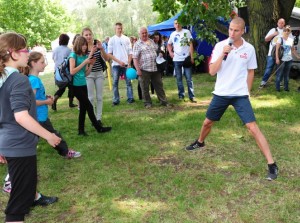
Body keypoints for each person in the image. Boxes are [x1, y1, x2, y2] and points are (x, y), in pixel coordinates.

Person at [185, 17, 279, 181]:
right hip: (221, 93)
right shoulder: (220, 46)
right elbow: (212, 71)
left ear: (243, 31)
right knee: (207, 122)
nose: (232, 33)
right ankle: (200, 142)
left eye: (236, 30)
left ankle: (272, 164)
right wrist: (223, 53)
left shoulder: (249, 49)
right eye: (230, 29)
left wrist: (247, 92)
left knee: (253, 127)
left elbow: (251, 71)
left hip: (240, 95)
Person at [0, 32, 61, 222]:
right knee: (18, 205)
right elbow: (21, 116)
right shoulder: (18, 79)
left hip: (9, 144)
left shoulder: (3, 79)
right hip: (19, 146)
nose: (28, 53)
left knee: (22, 195)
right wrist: (48, 135)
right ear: (13, 54)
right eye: (25, 49)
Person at [25, 51, 82, 158]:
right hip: (40, 117)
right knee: (53, 135)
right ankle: (66, 152)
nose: (45, 64)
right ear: (33, 63)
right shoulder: (34, 80)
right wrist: (47, 102)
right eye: (42, 62)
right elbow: (31, 102)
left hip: (38, 116)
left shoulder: (32, 79)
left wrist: (45, 97)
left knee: (32, 138)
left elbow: (34, 97)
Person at [69, 36, 111, 136]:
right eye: (83, 44)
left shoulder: (84, 56)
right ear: (78, 44)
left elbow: (86, 73)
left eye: (85, 45)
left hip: (83, 84)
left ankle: (81, 130)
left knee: (83, 108)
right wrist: (85, 62)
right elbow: (72, 71)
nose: (84, 46)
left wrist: (91, 64)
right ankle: (98, 128)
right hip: (75, 86)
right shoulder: (73, 55)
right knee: (89, 106)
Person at [81, 28, 112, 129]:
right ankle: (93, 118)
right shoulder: (82, 47)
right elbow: (84, 62)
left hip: (99, 74)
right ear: (83, 36)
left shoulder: (97, 44)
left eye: (90, 34)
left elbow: (107, 59)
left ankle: (98, 118)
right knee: (90, 98)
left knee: (99, 97)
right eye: (86, 35)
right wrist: (91, 52)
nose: (89, 37)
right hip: (88, 74)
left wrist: (101, 48)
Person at [133, 27, 169, 109]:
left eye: (145, 32)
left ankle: (163, 101)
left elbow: (157, 50)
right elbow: (135, 58)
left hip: (155, 68)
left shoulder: (152, 41)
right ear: (139, 34)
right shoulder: (137, 44)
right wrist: (138, 70)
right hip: (144, 69)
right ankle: (147, 103)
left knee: (159, 85)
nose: (145, 34)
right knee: (145, 87)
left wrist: (160, 54)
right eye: (143, 33)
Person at [167, 19, 196, 102]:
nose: (177, 24)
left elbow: (191, 44)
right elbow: (168, 44)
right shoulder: (172, 34)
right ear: (174, 25)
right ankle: (181, 95)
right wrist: (170, 52)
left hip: (186, 58)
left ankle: (192, 96)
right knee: (179, 79)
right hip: (176, 59)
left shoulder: (186, 32)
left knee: (189, 79)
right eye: (176, 23)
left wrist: (191, 56)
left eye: (179, 23)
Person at [107, 22, 135, 106]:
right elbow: (109, 54)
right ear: (115, 29)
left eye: (121, 28)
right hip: (116, 65)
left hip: (126, 64)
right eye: (118, 28)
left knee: (128, 82)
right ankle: (116, 100)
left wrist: (129, 63)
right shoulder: (112, 40)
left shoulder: (126, 39)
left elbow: (130, 52)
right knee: (115, 83)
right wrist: (119, 62)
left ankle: (130, 98)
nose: (120, 30)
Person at [52, 33, 77, 110]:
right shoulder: (68, 50)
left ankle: (55, 99)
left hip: (57, 72)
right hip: (67, 72)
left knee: (61, 88)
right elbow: (71, 61)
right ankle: (70, 103)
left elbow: (53, 59)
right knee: (71, 87)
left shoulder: (55, 49)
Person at [259, 18, 286, 88]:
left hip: (282, 53)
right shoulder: (273, 30)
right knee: (269, 68)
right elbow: (266, 39)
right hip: (271, 53)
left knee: (280, 68)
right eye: (279, 23)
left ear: (284, 24)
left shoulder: (286, 31)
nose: (281, 24)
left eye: (282, 23)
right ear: (277, 23)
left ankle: (279, 82)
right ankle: (263, 82)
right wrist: (273, 34)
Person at [275, 25, 300, 92]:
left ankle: (286, 88)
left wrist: (297, 57)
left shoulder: (291, 40)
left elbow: (293, 50)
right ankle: (278, 89)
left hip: (289, 59)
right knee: (279, 74)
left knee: (286, 75)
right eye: (285, 30)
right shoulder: (280, 39)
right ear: (283, 31)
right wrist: (277, 58)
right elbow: (277, 50)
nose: (286, 32)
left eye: (288, 31)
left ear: (289, 32)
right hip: (281, 60)